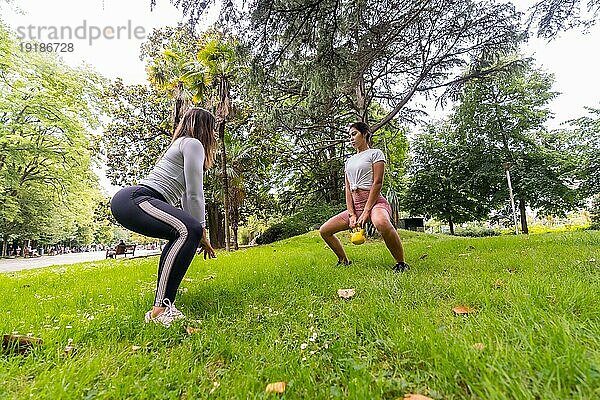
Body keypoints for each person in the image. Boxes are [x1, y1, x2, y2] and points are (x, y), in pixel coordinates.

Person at [110, 107, 217, 327]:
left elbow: (187, 194)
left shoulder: (181, 144)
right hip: (138, 198)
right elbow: (196, 192)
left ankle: (164, 300)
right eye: (212, 130)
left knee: (186, 231)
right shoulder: (193, 144)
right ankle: (160, 311)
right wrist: (201, 229)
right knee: (190, 230)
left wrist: (197, 229)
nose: (214, 136)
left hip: (135, 201)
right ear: (205, 128)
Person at [319, 122, 410, 272]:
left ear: (365, 134)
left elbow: (377, 182)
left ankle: (401, 263)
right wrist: (351, 214)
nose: (351, 138)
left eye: (354, 134)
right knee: (324, 230)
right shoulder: (348, 161)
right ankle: (344, 261)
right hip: (355, 206)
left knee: (381, 223)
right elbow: (348, 189)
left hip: (375, 203)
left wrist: (367, 211)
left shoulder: (375, 154)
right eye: (349, 136)